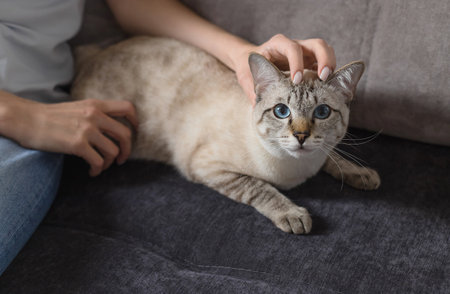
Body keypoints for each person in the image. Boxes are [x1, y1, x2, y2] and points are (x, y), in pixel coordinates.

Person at [0, 0, 336, 275]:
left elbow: (133, 4)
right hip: (25, 122)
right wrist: (16, 115)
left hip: (43, 120)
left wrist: (241, 54)